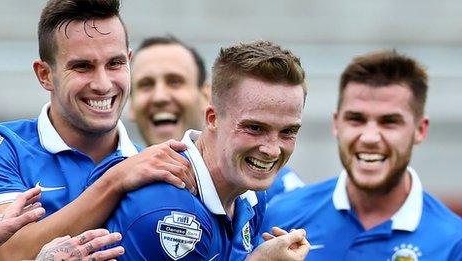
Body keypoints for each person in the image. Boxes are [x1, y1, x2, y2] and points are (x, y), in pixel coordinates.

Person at [0, 1, 194, 259]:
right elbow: (9, 250)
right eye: (82, 66)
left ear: (129, 62)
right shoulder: (8, 146)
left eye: (115, 63)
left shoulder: (151, 167)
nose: (102, 84)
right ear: (45, 74)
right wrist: (115, 181)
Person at [106, 40, 310, 260]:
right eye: (254, 128)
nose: (272, 150)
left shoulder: (250, 195)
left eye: (288, 131)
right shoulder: (171, 213)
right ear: (213, 119)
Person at [260, 50, 462, 260]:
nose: (369, 137)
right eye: (356, 119)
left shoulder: (454, 243)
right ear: (336, 123)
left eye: (389, 121)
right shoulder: (281, 215)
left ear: (420, 129)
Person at [129, 35, 305, 202]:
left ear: (206, 96)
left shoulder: (264, 185)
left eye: (175, 82)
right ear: (130, 104)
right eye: (146, 85)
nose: (160, 97)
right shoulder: (121, 174)